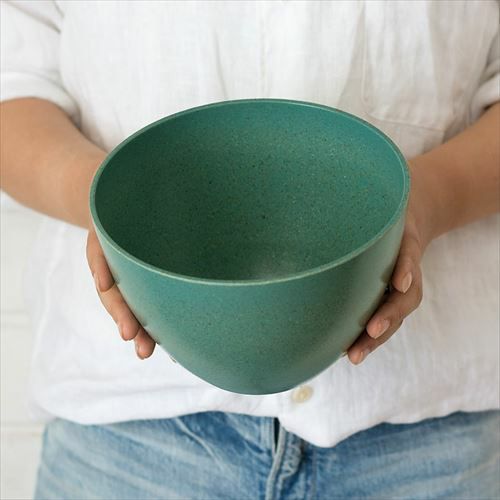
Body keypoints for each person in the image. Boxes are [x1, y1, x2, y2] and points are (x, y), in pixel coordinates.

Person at [1, 1, 499, 498]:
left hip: (429, 432)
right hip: (125, 433)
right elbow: (13, 89)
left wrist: (425, 203)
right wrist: (111, 205)